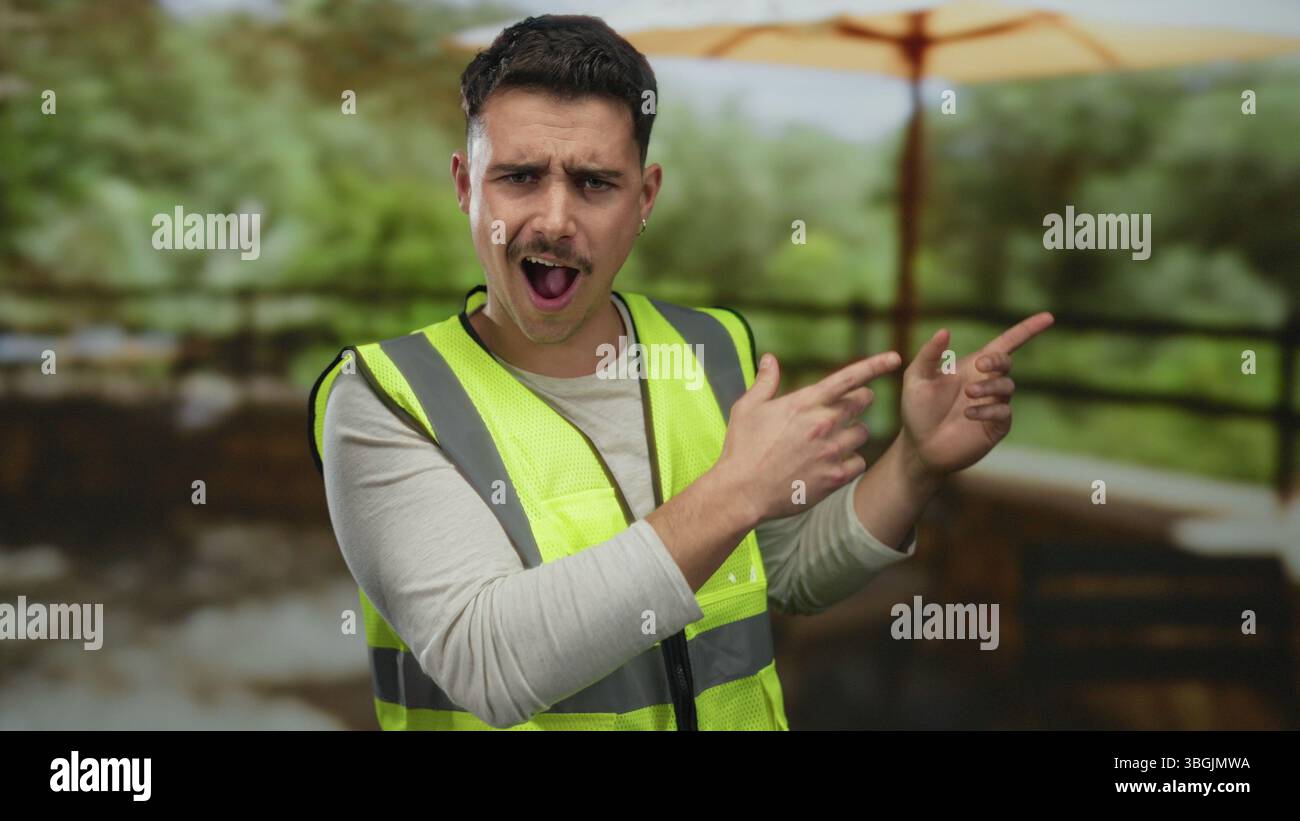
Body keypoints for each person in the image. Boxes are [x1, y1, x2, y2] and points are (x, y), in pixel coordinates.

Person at [308, 13, 1053, 730]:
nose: (556, 218)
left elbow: (784, 576)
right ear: (467, 186)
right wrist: (735, 490)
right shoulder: (383, 399)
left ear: (646, 198)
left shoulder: (712, 348)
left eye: (595, 183)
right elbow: (488, 661)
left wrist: (915, 464)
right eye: (520, 177)